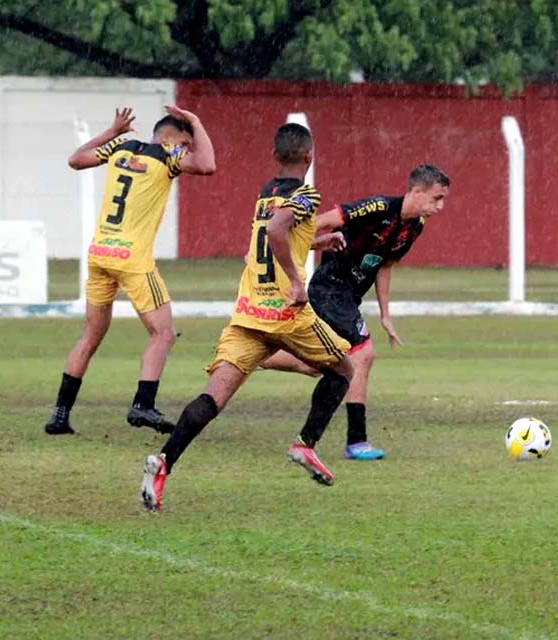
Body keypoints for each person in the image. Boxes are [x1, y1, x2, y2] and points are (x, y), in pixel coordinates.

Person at [140, 122, 354, 511]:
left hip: (247, 313)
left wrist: (318, 241)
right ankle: (305, 444)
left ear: (275, 156)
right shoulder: (306, 193)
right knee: (344, 371)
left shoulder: (265, 194)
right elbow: (276, 232)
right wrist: (296, 281)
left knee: (212, 398)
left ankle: (163, 464)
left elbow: (272, 237)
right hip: (285, 312)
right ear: (309, 156)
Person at [259, 164, 451, 460]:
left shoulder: (415, 226)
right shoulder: (378, 207)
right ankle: (356, 441)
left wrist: (385, 315)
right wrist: (298, 242)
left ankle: (259, 354)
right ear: (416, 191)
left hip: (348, 296)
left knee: (319, 365)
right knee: (363, 353)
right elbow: (324, 220)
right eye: (437, 198)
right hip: (329, 288)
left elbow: (385, 266)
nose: (441, 205)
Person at [45, 106, 216, 436]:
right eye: (188, 141)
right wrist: (196, 120)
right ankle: (142, 405)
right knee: (163, 333)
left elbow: (76, 159)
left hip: (100, 252)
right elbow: (208, 165)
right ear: (177, 137)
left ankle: (60, 415)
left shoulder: (121, 148)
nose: (190, 147)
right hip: (132, 258)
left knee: (90, 336)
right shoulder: (168, 154)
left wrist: (112, 130)